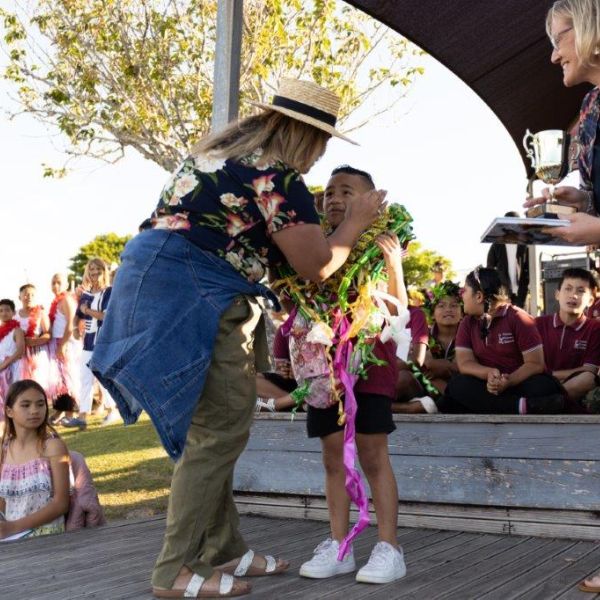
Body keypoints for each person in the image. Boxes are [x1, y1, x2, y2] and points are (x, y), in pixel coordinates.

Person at [89, 79, 386, 599]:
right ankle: (174, 570)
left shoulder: (219, 155)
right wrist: (356, 223)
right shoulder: (278, 176)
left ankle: (223, 548)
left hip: (154, 281)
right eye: (320, 145)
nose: (319, 160)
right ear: (305, 136)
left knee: (212, 426)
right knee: (219, 431)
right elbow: (317, 265)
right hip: (196, 293)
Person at [297, 166, 406, 584]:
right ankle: (339, 545)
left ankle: (389, 547)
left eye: (347, 190)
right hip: (322, 367)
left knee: (372, 452)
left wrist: (393, 263)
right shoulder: (317, 248)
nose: (335, 198)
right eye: (329, 192)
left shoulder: (380, 243)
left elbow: (398, 309)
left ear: (373, 199)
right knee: (331, 456)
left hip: (369, 360)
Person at [434, 267, 565, 414]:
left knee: (545, 386)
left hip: (519, 383)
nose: (461, 296)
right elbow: (465, 364)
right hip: (486, 385)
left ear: (478, 296)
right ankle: (522, 407)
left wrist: (508, 381)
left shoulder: (517, 317)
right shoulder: (467, 322)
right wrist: (489, 373)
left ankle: (505, 405)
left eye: (464, 291)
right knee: (458, 385)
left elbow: (535, 364)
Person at [524, 0, 600, 246]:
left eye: (557, 41)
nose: (554, 57)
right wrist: (583, 202)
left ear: (591, 27)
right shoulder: (590, 107)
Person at [0, 379, 70, 540]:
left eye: (40, 404)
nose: (34, 410)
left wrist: (14, 527)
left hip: (47, 535)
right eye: (25, 405)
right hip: (11, 536)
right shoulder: (4, 450)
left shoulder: (53, 447)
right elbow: (3, 501)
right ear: (10, 411)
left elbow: (61, 503)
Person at [395, 281, 463, 414]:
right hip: (429, 388)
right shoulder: (425, 335)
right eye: (441, 306)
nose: (448, 309)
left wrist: (446, 366)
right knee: (406, 377)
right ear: (432, 313)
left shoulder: (468, 335)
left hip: (459, 391)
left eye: (454, 305)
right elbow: (426, 366)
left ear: (462, 312)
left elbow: (466, 366)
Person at [536, 268, 600, 408]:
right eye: (568, 289)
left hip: (574, 389)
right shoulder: (537, 324)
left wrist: (551, 375)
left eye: (580, 291)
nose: (573, 296)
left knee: (588, 379)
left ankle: (544, 404)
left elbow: (588, 371)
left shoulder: (595, 329)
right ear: (557, 294)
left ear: (590, 300)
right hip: (541, 384)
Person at [65, 259, 116, 430]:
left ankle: (112, 410)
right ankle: (82, 417)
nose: (94, 272)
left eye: (98, 269)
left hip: (104, 341)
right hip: (88, 342)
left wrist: (88, 311)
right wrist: (74, 327)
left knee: (103, 378)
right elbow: (78, 314)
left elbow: (106, 317)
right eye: (91, 269)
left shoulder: (109, 292)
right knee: (84, 378)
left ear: (104, 271)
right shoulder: (85, 294)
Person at [47, 274, 80, 424]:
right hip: (57, 341)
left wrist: (63, 344)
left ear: (66, 284)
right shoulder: (56, 301)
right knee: (59, 379)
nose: (55, 285)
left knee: (69, 377)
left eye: (59, 282)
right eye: (53, 282)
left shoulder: (67, 299)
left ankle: (70, 413)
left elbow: (71, 324)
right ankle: (60, 410)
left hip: (65, 341)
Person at [487, 211, 529, 308]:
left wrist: (525, 287)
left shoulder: (524, 246)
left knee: (520, 317)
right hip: (503, 293)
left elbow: (529, 269)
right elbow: (490, 269)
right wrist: (498, 290)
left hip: (521, 291)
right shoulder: (496, 245)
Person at [16, 284, 51, 392]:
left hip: (37, 353)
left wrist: (35, 341)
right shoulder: (14, 314)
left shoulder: (41, 313)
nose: (29, 297)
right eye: (26, 294)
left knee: (38, 385)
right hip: (19, 355)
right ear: (20, 297)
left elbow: (48, 334)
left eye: (32, 295)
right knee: (21, 386)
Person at [0, 300, 25, 421]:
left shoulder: (17, 330)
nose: (4, 313)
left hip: (12, 368)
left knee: (13, 397)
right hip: (1, 368)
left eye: (7, 310)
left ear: (13, 312)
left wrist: (4, 365)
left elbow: (20, 351)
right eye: (1, 311)